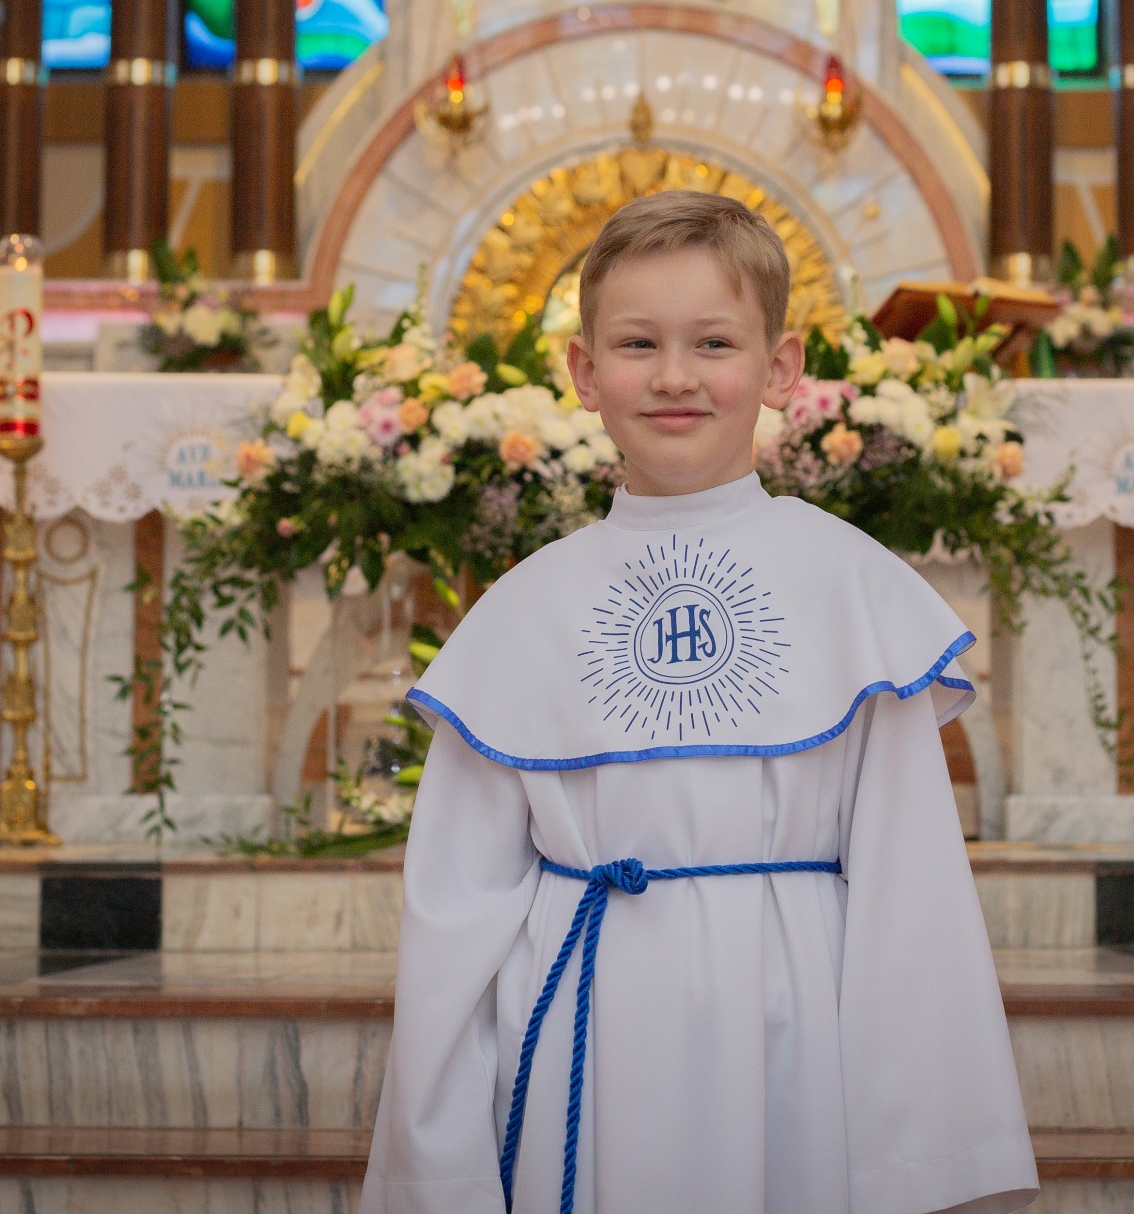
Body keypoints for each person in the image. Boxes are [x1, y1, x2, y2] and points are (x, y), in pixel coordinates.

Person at [361, 191, 1038, 1214]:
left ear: (779, 368)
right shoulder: (524, 610)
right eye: (637, 343)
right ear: (584, 372)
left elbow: (914, 900)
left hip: (799, 1028)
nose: (673, 376)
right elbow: (453, 914)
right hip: (580, 1033)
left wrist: (928, 1158)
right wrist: (437, 1168)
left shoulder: (848, 588)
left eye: (712, 342)